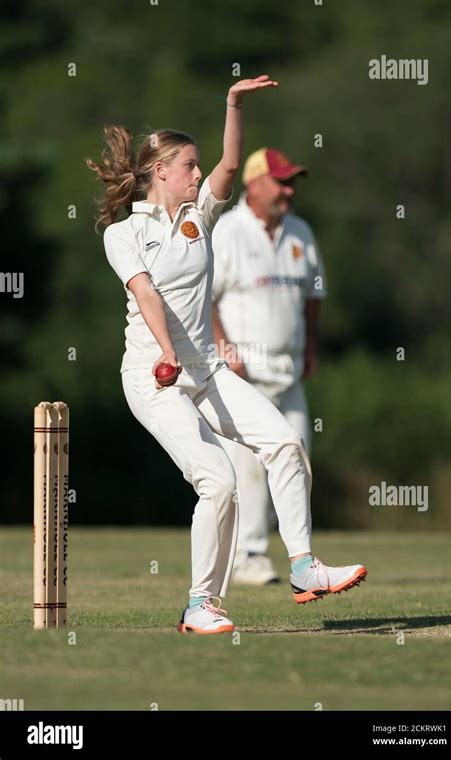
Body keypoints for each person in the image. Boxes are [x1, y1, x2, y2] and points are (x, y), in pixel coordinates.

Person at [86, 75, 367, 635]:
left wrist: (233, 104)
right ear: (160, 171)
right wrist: (168, 353)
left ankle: (305, 566)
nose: (199, 173)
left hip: (206, 371)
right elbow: (145, 294)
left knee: (285, 442)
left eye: (198, 166)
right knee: (218, 480)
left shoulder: (200, 217)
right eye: (189, 165)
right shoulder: (123, 234)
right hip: (152, 376)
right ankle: (200, 604)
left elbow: (233, 165)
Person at [211, 148, 326, 585]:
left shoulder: (300, 232)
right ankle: (248, 555)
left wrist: (311, 346)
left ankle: (302, 560)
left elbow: (314, 295)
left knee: (297, 459)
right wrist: (223, 346)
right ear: (254, 183)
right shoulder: (227, 231)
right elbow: (207, 297)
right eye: (281, 182)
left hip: (289, 369)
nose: (289, 190)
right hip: (244, 374)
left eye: (292, 182)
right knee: (249, 468)